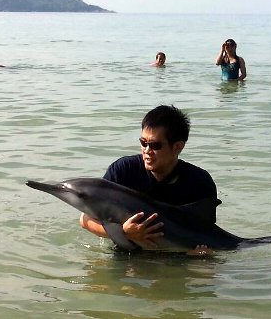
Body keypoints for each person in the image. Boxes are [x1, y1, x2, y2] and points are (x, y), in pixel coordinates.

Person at [80, 105, 221, 255]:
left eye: (155, 145)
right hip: (128, 253)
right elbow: (85, 219)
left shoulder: (199, 182)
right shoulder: (123, 171)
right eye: (143, 142)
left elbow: (206, 234)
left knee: (205, 271)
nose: (147, 151)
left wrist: (201, 255)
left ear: (178, 147)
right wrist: (125, 233)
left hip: (178, 258)